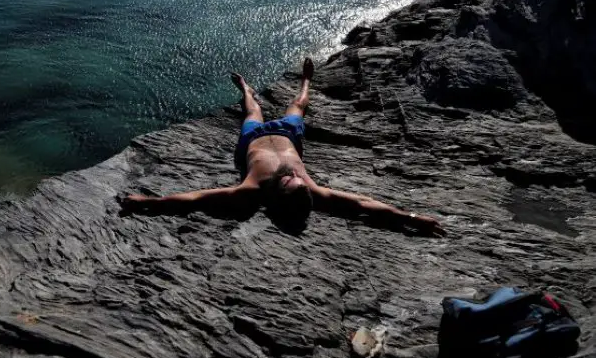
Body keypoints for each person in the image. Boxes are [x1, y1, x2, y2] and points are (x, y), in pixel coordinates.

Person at [120, 58, 445, 237]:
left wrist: (150, 202)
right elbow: (362, 202)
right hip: (288, 133)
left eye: (292, 181)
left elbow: (197, 199)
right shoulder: (311, 193)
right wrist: (411, 217)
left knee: (252, 111)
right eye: (300, 180)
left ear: (277, 194)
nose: (297, 177)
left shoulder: (252, 190)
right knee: (297, 106)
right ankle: (306, 81)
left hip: (254, 138)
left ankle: (246, 88)